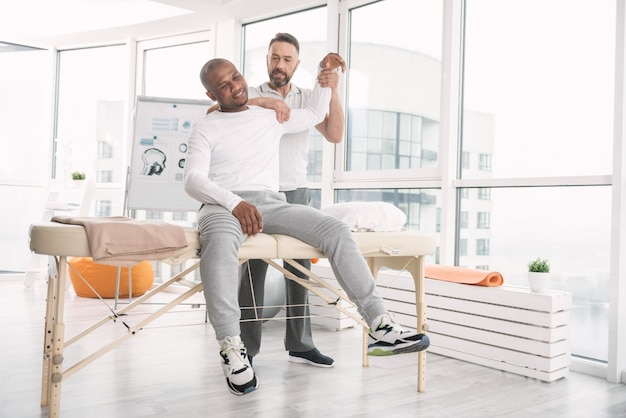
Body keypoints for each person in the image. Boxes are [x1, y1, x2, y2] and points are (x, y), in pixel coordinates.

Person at [184, 57, 430, 396]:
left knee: (336, 231)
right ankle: (231, 345)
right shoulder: (205, 127)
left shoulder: (270, 115)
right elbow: (193, 179)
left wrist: (326, 77)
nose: (235, 86)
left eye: (236, 77)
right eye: (223, 85)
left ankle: (379, 324)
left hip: (271, 201)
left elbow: (315, 113)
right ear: (210, 94)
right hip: (221, 204)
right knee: (221, 244)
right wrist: (233, 203)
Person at [238, 33, 344, 369]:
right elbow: (230, 112)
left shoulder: (308, 99)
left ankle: (300, 343)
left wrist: (333, 90)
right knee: (252, 271)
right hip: (258, 193)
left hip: (297, 191)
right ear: (267, 60)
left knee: (299, 272)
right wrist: (269, 103)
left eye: (286, 59)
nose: (279, 65)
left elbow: (335, 134)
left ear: (296, 65)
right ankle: (246, 350)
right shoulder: (252, 94)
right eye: (274, 58)